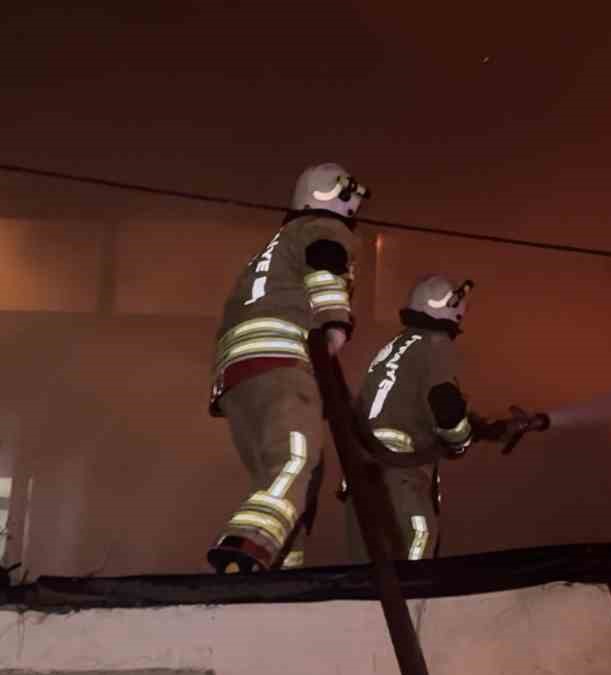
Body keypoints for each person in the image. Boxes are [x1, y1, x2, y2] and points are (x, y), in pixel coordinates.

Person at [206, 163, 367, 574]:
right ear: (333, 193)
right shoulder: (322, 230)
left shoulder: (277, 244)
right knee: (296, 461)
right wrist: (334, 323)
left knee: (285, 478)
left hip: (238, 378)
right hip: (282, 362)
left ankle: (280, 569)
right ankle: (247, 546)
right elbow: (326, 262)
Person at [344, 275, 540, 562]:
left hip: (362, 475)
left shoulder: (398, 347)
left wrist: (492, 429)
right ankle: (413, 605)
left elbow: (418, 406)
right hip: (399, 471)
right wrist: (460, 441)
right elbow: (446, 409)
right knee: (418, 542)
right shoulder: (436, 344)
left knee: (368, 569)